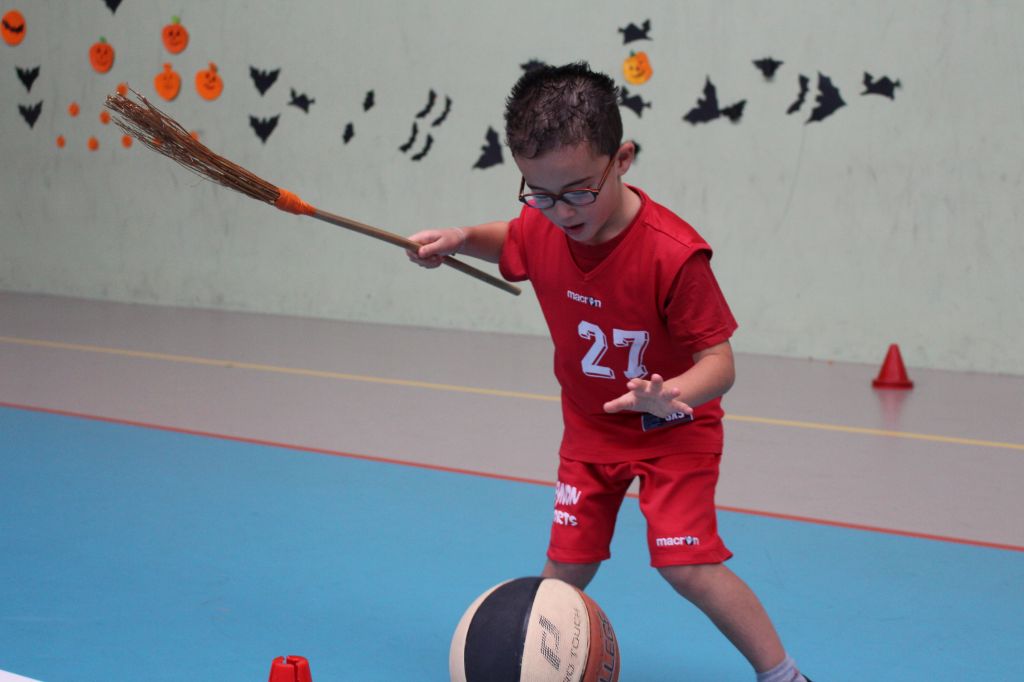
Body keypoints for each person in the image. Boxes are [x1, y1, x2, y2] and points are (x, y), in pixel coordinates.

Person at [407, 62, 810, 682]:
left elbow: (720, 364)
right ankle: (530, 664)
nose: (559, 211)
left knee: (686, 565)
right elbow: (510, 236)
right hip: (590, 432)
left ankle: (783, 674)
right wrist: (459, 238)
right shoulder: (544, 223)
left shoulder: (673, 255)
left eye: (576, 192)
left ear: (622, 159)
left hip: (671, 431)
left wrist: (668, 395)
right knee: (566, 566)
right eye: (539, 192)